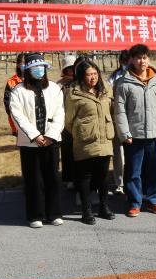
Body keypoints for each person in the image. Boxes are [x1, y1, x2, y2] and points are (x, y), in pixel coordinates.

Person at [9, 53, 65, 228]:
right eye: (34, 68)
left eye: (41, 67)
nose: (39, 70)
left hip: (51, 140)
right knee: (33, 179)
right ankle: (35, 215)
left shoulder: (54, 88)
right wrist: (35, 135)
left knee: (52, 178)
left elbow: (60, 113)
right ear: (27, 70)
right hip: (29, 143)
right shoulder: (18, 90)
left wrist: (50, 135)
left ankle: (54, 213)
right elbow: (17, 115)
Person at [114, 44, 156, 217]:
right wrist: (124, 133)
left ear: (149, 58)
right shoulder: (124, 82)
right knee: (133, 171)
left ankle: (153, 200)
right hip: (134, 135)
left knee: (154, 170)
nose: (142, 61)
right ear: (131, 59)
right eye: (138, 58)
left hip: (154, 134)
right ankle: (134, 202)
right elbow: (120, 111)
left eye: (144, 57)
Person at [64, 59, 116, 224]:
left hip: (105, 138)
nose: (93, 77)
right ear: (81, 76)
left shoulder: (106, 88)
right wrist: (82, 131)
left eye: (95, 74)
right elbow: (68, 120)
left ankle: (104, 206)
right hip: (85, 139)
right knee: (85, 176)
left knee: (103, 175)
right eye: (89, 75)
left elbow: (111, 109)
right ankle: (86, 211)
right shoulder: (73, 93)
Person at [107, 50, 130, 195]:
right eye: (125, 62)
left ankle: (133, 180)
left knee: (133, 153)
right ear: (121, 62)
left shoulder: (139, 75)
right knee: (118, 153)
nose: (127, 64)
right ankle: (119, 182)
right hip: (117, 118)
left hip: (133, 119)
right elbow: (109, 97)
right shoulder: (113, 77)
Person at [57, 54, 77, 188]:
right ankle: (70, 178)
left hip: (79, 121)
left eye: (73, 67)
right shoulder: (59, 84)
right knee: (67, 151)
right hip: (65, 122)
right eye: (69, 68)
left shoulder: (82, 82)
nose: (71, 70)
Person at [4, 53, 27, 136]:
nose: (24, 65)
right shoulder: (11, 81)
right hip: (16, 120)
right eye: (22, 63)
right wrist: (12, 115)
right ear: (17, 65)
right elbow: (7, 101)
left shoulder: (34, 80)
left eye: (26, 63)